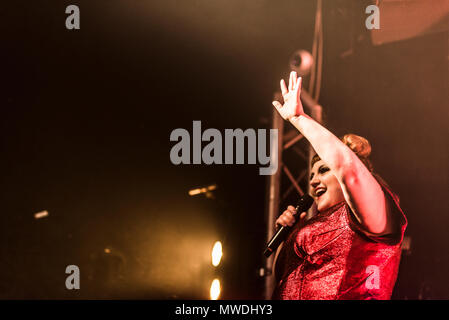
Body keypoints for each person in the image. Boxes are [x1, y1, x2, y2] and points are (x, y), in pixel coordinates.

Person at [270, 71, 407, 300]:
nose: (312, 181)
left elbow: (348, 168)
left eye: (323, 170)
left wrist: (298, 119)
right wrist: (288, 234)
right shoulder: (315, 221)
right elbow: (284, 278)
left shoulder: (374, 212)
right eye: (312, 174)